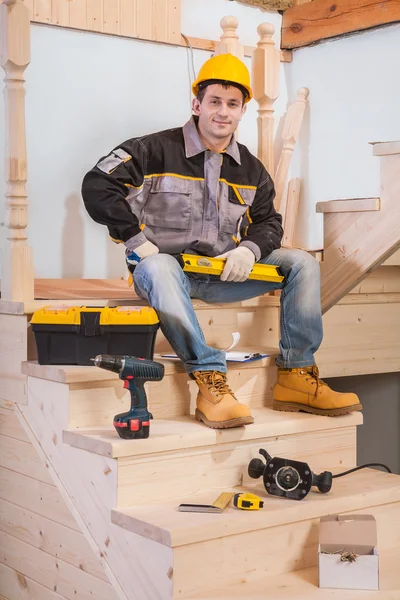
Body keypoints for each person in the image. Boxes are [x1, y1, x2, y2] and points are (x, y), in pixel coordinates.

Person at [82, 53, 362, 430]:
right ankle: (209, 380)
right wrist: (135, 239)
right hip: (163, 275)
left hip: (221, 275)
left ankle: (296, 375)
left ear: (242, 111)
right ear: (197, 104)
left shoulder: (252, 169)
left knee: (303, 264)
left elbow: (268, 222)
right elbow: (98, 185)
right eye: (214, 102)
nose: (222, 112)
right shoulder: (150, 150)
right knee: (160, 265)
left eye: (233, 104)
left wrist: (250, 250)